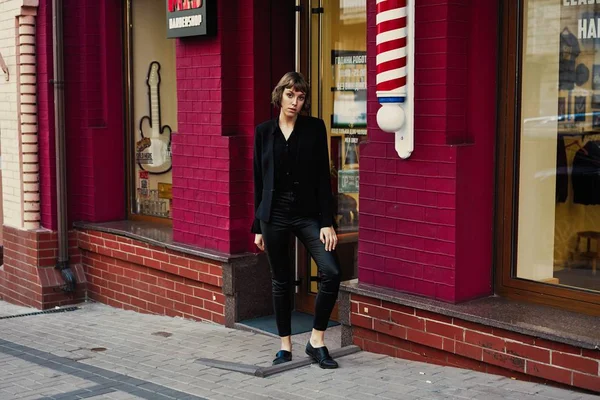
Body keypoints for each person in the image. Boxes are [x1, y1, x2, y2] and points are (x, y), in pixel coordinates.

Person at [252, 72, 341, 369]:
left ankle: (316, 341)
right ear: (280, 96)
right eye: (290, 95)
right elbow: (258, 180)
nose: (295, 102)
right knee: (281, 281)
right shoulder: (264, 132)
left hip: (307, 215)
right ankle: (285, 346)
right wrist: (257, 226)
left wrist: (326, 222)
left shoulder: (314, 129)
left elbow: (322, 178)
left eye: (300, 97)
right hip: (273, 215)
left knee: (331, 272)